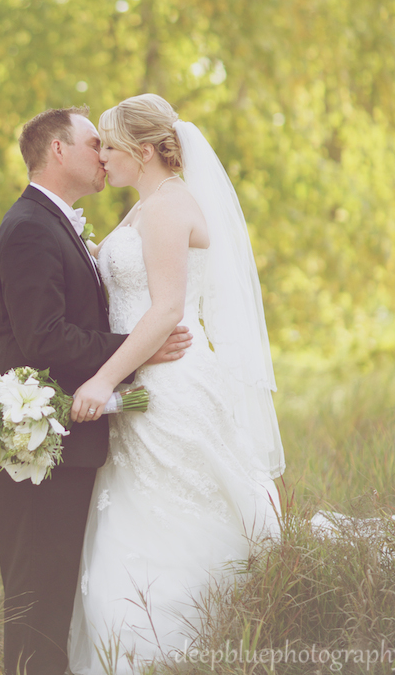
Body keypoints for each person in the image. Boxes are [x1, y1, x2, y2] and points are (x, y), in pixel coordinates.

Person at [67, 94, 286, 675]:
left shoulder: (167, 209)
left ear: (142, 152)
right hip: (145, 388)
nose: (101, 157)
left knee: (179, 515)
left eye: (109, 146)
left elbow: (166, 311)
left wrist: (102, 379)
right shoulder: (145, 208)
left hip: (169, 387)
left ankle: (182, 647)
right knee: (136, 516)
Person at [0, 106, 193, 675]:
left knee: (54, 600)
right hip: (39, 446)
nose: (102, 154)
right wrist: (137, 348)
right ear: (58, 151)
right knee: (37, 601)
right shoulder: (30, 227)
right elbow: (44, 338)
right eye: (92, 143)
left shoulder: (55, 223)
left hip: (62, 443)